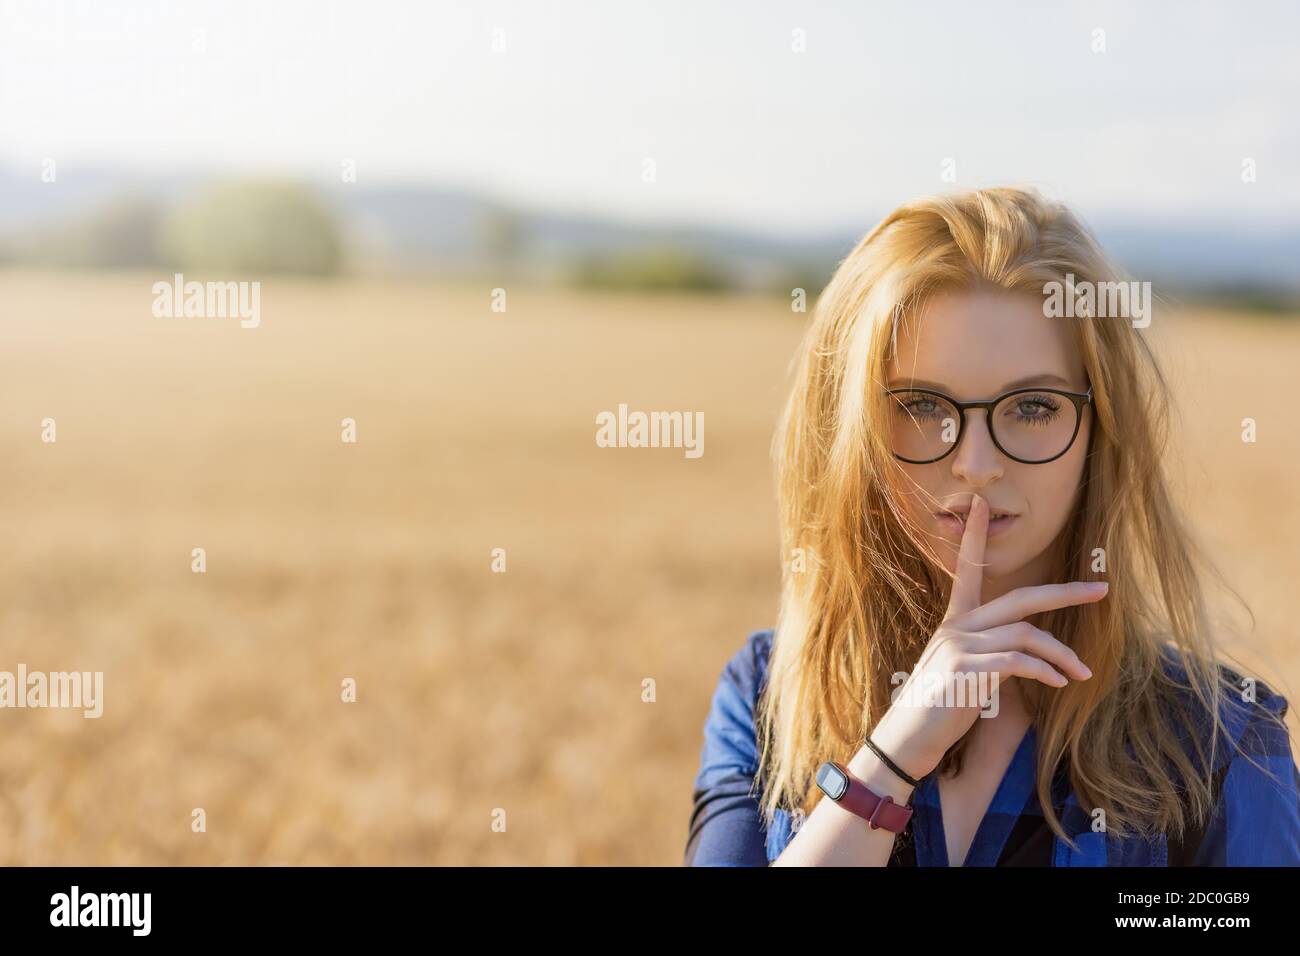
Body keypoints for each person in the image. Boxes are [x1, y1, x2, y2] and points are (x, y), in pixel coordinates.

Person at [685, 186, 1300, 866]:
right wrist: (886, 765)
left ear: (1102, 429)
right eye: (920, 405)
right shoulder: (771, 697)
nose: (976, 464)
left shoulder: (1221, 745)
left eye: (1033, 407)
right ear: (849, 429)